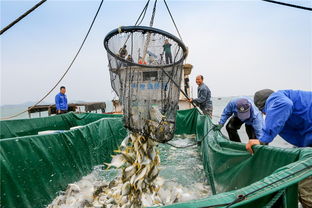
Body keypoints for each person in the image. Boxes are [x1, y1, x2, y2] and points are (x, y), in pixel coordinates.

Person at [246, 89, 312, 208]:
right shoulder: (296, 99)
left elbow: (284, 104)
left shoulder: (276, 98)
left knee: (303, 180)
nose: (266, 114)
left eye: (263, 111)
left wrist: (263, 139)